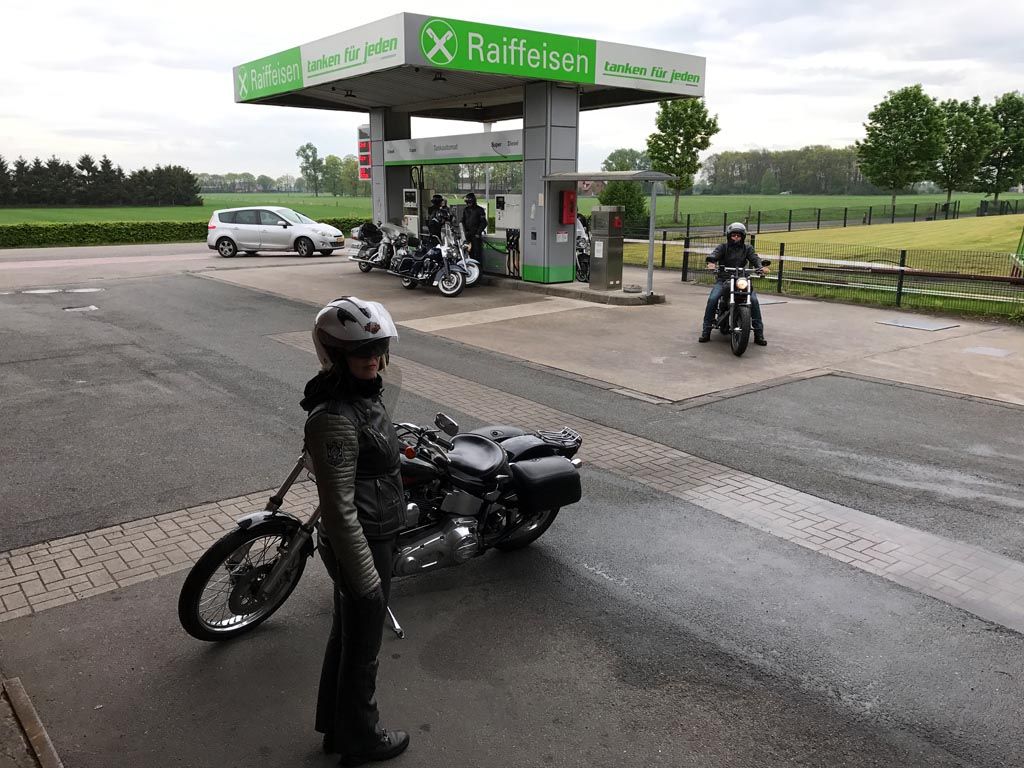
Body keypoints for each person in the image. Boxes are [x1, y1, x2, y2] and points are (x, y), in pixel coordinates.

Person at [301, 296, 410, 766]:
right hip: (362, 541)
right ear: (335, 354)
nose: (372, 358)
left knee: (345, 636)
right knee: (363, 647)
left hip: (373, 531)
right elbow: (338, 509)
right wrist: (365, 578)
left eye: (378, 348)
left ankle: (336, 727)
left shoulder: (362, 396)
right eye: (360, 351)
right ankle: (362, 738)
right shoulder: (334, 417)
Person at [699, 222, 769, 346]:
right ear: (729, 236)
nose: (736, 237)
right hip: (724, 279)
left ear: (743, 237)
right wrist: (711, 262)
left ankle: (759, 334)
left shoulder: (747, 248)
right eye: (733, 235)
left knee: (754, 301)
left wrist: (760, 267)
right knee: (713, 299)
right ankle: (706, 330)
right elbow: (714, 254)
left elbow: (755, 258)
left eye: (738, 235)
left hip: (742, 280)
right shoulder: (723, 247)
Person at [460, 192, 487, 263]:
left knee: (477, 253)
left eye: (470, 203)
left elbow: (484, 223)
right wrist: (462, 231)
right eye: (467, 203)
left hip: (476, 235)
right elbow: (463, 221)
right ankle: (470, 267)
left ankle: (478, 267)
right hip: (467, 235)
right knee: (468, 252)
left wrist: (478, 232)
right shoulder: (466, 210)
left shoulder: (480, 210)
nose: (468, 204)